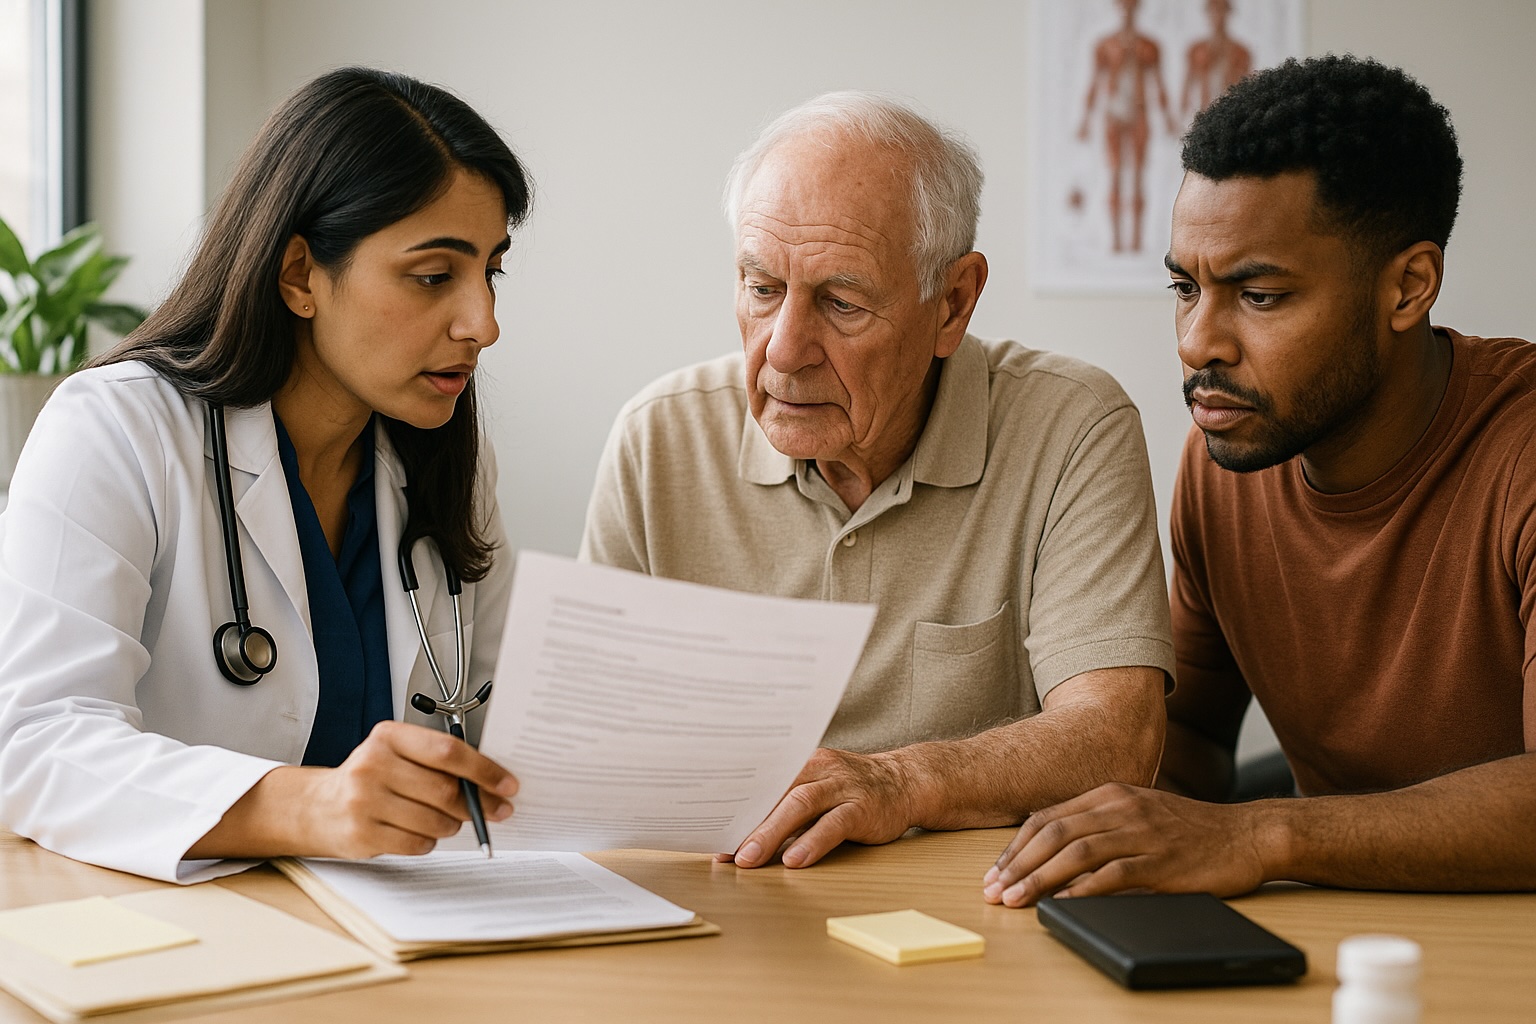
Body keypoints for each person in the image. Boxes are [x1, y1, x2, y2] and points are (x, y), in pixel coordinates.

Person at [985, 55, 1536, 908]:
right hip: (1339, 928)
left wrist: (1258, 834)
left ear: (1408, 287)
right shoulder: (1224, 466)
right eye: (1184, 286)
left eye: (1261, 295)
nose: (1196, 341)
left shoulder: (1520, 452)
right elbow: (1192, 738)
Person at [580, 92, 1174, 872]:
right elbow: (586, 749)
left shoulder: (1072, 427)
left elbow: (1119, 738)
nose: (783, 351)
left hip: (970, 909)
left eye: (841, 303)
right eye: (761, 289)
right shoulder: (658, 439)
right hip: (727, 898)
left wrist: (901, 782)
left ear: (953, 304)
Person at [0, 68, 528, 882]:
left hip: (401, 919)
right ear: (298, 275)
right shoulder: (117, 428)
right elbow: (37, 745)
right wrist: (312, 806)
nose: (483, 324)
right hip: (181, 927)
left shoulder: (443, 457)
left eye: (490, 271)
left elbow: (504, 733)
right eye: (433, 276)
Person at [1077, 0, 1178, 253]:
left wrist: (1167, 117)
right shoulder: (1106, 45)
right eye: (1123, 5)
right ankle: (1116, 240)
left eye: (1131, 5)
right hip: (1114, 115)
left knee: (1138, 176)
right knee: (1115, 174)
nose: (1127, 10)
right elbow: (1095, 83)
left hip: (1139, 114)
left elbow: (1158, 83)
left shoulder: (1148, 46)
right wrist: (1085, 120)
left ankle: (1135, 241)